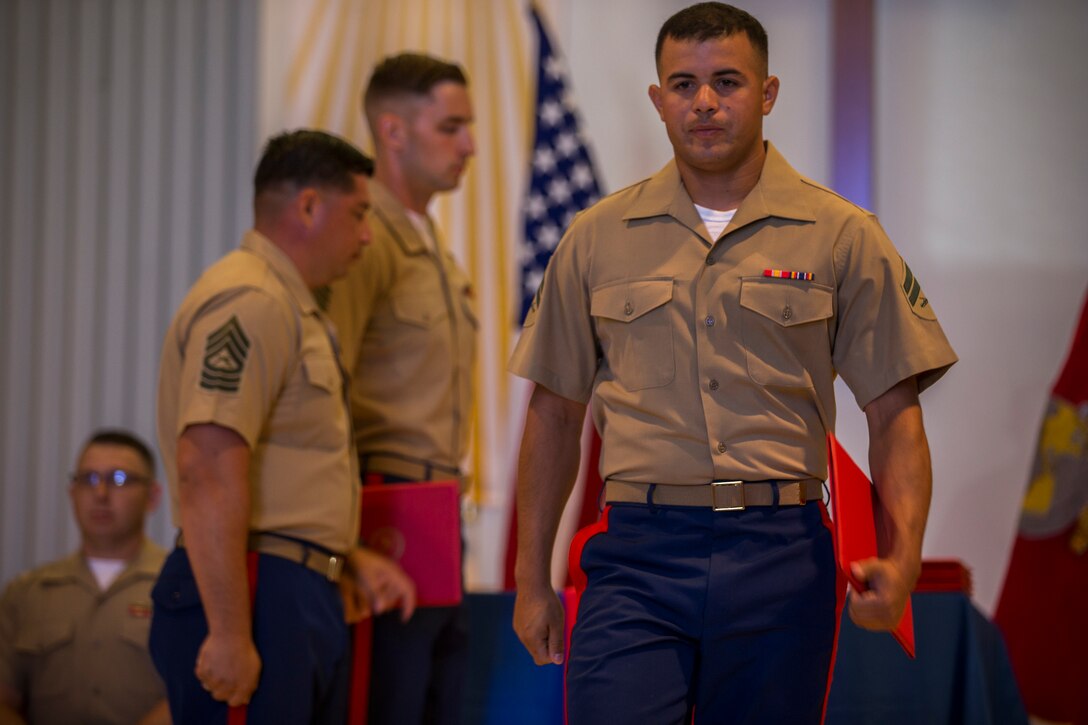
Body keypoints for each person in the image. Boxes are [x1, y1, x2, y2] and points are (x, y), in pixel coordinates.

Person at [509, 3, 959, 723]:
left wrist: (903, 560)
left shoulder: (843, 235)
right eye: (683, 85)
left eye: (728, 81)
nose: (705, 103)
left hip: (780, 558)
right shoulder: (594, 238)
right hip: (636, 556)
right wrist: (531, 579)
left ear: (768, 92)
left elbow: (894, 415)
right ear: (658, 100)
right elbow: (555, 413)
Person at [150, 129, 416, 725]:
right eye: (359, 214)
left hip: (289, 590)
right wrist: (227, 632)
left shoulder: (291, 304)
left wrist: (341, 557)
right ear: (308, 206)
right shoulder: (251, 298)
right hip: (251, 587)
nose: (368, 236)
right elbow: (207, 466)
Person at [324, 53, 476, 725]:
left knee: (433, 701)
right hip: (382, 506)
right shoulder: (365, 239)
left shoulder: (430, 242)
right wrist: (345, 535)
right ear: (392, 132)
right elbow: (325, 386)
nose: (469, 144)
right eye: (451, 126)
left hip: (437, 503)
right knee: (385, 701)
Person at [0, 429, 170, 725]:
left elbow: (193, 694)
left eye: (119, 479)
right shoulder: (28, 592)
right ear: (72, 493)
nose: (101, 494)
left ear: (152, 497)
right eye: (88, 479)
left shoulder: (178, 588)